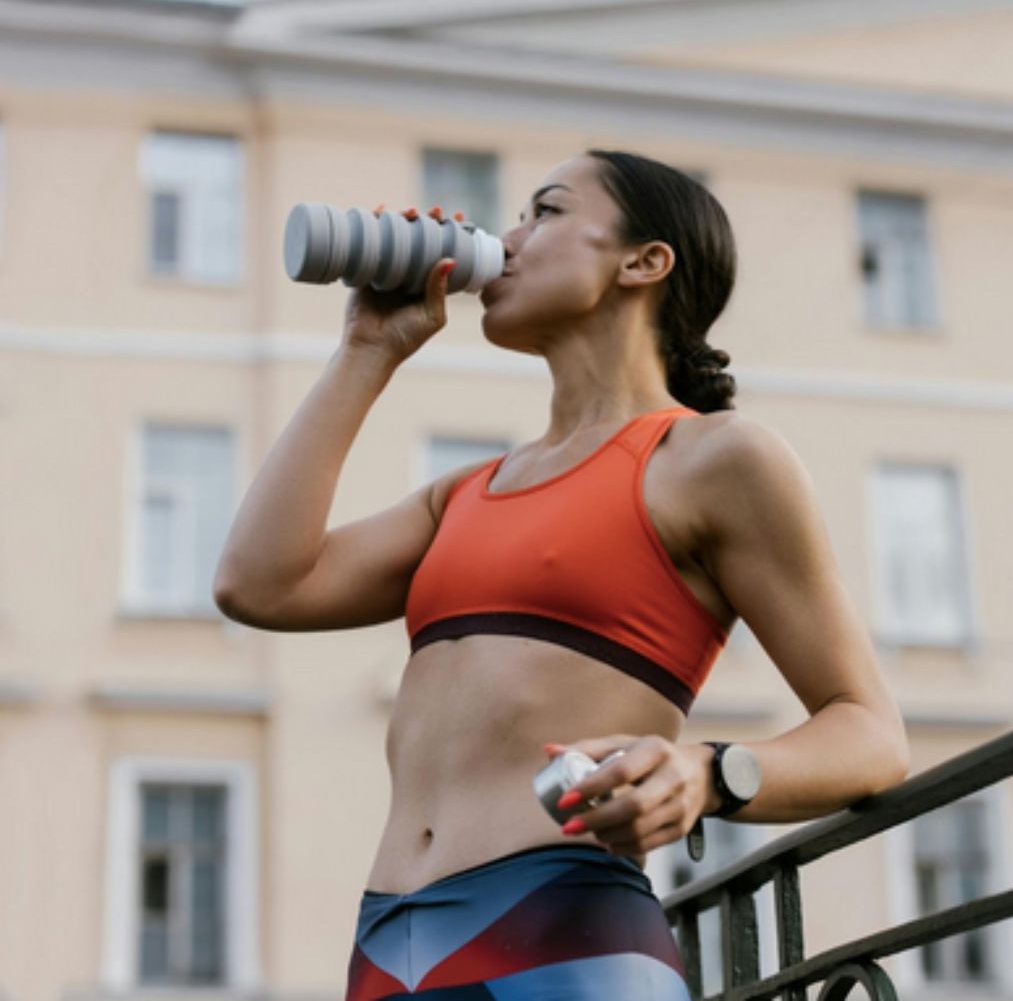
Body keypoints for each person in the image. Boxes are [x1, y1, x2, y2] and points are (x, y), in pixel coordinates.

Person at [213, 148, 910, 999]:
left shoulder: (713, 458)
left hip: (560, 929)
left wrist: (708, 773)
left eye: (543, 212)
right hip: (386, 944)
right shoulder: (463, 493)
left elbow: (871, 733)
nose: (507, 239)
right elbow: (257, 583)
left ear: (643, 261)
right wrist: (367, 347)